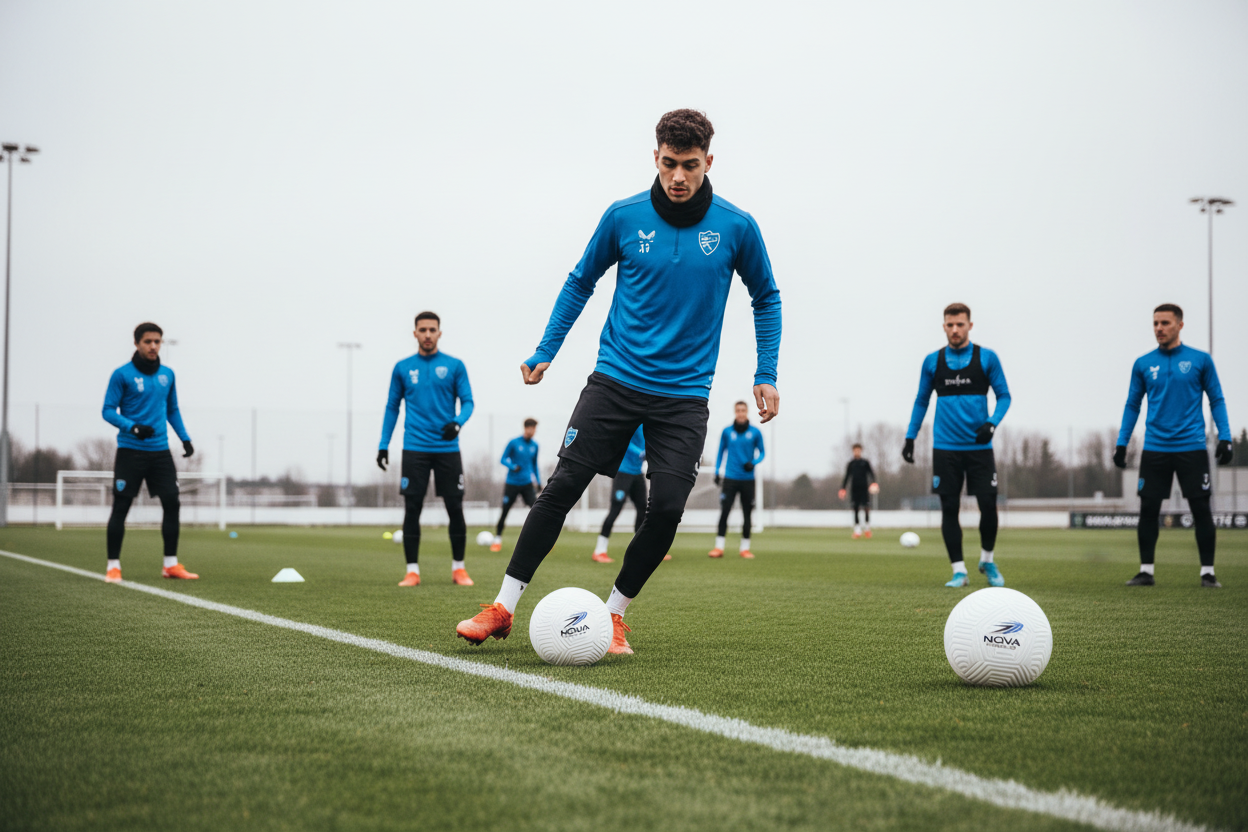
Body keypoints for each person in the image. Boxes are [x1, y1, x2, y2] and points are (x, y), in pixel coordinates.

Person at [457, 109, 781, 655]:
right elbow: (580, 280)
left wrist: (765, 373)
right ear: (655, 157)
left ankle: (612, 618)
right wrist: (546, 351)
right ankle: (503, 608)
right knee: (560, 489)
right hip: (614, 382)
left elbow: (766, 296)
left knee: (670, 508)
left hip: (683, 398)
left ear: (709, 162)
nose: (679, 177)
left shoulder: (736, 226)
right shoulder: (624, 217)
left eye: (691, 166)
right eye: (670, 164)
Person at [1114, 304, 1233, 588]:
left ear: (1179, 325)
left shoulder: (1200, 360)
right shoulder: (1143, 363)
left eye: (1165, 323)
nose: (1159, 328)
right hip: (1155, 448)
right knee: (1148, 510)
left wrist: (1225, 436)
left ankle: (1207, 572)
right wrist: (1122, 442)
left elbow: (1216, 398)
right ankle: (1146, 571)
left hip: (1191, 447)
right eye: (1155, 323)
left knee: (1201, 508)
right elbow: (1133, 404)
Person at [903, 303, 1011, 588]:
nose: (955, 330)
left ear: (970, 326)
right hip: (945, 448)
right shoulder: (932, 361)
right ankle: (959, 571)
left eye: (960, 324)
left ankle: (987, 560)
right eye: (950, 325)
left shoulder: (987, 358)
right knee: (949, 507)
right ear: (943, 327)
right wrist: (910, 437)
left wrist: (992, 422)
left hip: (979, 448)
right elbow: (921, 401)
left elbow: (1005, 397)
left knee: (988, 506)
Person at [376, 312, 475, 587]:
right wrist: (384, 444)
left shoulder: (455, 366)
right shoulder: (402, 368)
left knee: (454, 506)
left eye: (432, 329)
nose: (428, 334)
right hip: (415, 448)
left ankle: (459, 569)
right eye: (423, 330)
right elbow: (392, 407)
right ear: (415, 333)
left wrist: (457, 423)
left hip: (447, 448)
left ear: (440, 333)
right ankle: (412, 571)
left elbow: (468, 402)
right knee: (412, 507)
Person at [100, 322, 197, 583]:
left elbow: (172, 410)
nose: (153, 346)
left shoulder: (168, 374)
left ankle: (170, 565)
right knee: (121, 506)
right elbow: (108, 410)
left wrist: (185, 439)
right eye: (148, 341)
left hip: (160, 453)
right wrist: (131, 426)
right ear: (137, 343)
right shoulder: (122, 375)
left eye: (157, 341)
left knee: (172, 503)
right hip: (130, 452)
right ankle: (113, 566)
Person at [709, 401, 765, 558]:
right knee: (724, 512)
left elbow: (762, 453)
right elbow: (720, 452)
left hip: (748, 479)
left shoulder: (755, 432)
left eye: (743, 410)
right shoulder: (727, 432)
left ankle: (744, 549)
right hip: (730, 478)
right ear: (735, 412)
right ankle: (719, 547)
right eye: (738, 410)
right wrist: (717, 472)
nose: (740, 413)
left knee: (747, 514)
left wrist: (753, 463)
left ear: (747, 412)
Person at [592, 426, 647, 564]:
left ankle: (640, 550)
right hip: (623, 473)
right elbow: (624, 439)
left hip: (638, 473)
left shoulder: (649, 423)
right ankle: (599, 551)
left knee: (643, 510)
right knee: (615, 511)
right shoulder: (634, 419)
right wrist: (640, 453)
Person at [491, 419, 541, 552]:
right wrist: (513, 466)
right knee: (505, 510)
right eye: (530, 428)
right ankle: (497, 539)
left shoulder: (535, 446)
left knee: (536, 510)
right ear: (525, 428)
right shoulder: (514, 443)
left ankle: (539, 540)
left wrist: (539, 481)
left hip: (527, 483)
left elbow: (535, 465)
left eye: (534, 429)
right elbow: (502, 459)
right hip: (512, 483)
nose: (532, 431)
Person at [838, 443, 878, 538]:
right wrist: (843, 488)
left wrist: (873, 482)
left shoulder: (865, 462)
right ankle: (857, 530)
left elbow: (871, 473)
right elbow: (847, 476)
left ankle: (867, 529)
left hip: (864, 488)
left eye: (858, 450)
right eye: (855, 450)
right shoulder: (851, 464)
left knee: (866, 508)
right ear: (853, 451)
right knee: (855, 508)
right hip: (854, 489)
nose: (857, 452)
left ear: (861, 451)